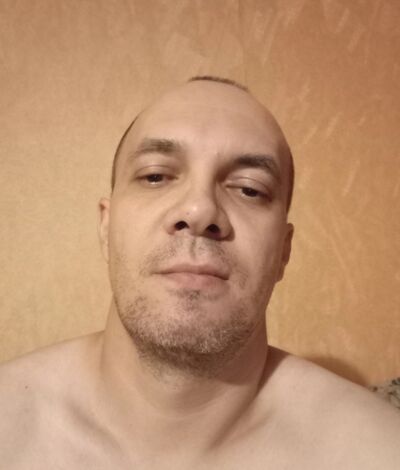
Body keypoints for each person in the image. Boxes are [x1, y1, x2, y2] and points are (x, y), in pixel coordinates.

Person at [0, 76, 399, 469]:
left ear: (284, 250)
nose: (199, 210)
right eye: (155, 176)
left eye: (249, 188)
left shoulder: (378, 450)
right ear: (106, 227)